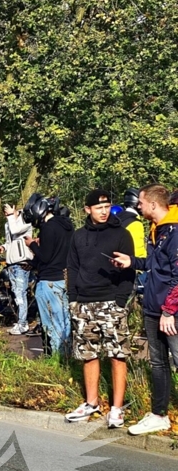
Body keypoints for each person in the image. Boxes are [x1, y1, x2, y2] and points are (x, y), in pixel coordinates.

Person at [64, 189, 135, 428]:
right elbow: (72, 268)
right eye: (98, 207)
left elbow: (129, 270)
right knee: (88, 354)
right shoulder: (78, 236)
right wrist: (73, 299)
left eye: (107, 206)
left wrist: (121, 301)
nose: (104, 211)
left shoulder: (122, 234)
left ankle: (117, 408)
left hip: (111, 302)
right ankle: (91, 402)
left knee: (117, 354)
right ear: (88, 210)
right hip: (83, 303)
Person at [112, 184, 178, 435]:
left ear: (153, 204)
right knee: (158, 363)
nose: (137, 206)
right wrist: (133, 262)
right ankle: (159, 414)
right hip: (154, 308)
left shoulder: (174, 231)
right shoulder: (156, 230)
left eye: (140, 202)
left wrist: (169, 310)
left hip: (170, 312)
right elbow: (154, 265)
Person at [24, 194, 74, 356]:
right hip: (64, 278)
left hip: (49, 281)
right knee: (65, 321)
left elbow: (45, 257)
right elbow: (57, 253)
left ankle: (56, 358)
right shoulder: (67, 226)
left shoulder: (47, 228)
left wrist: (32, 244)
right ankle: (67, 355)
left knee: (51, 324)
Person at [0, 201, 34, 335]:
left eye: (8, 210)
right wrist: (3, 247)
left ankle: (23, 323)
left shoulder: (25, 222)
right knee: (16, 294)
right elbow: (10, 241)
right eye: (4, 212)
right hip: (11, 263)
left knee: (20, 294)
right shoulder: (9, 223)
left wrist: (11, 215)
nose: (6, 214)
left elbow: (15, 230)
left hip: (22, 263)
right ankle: (20, 321)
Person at [118, 187, 147, 259]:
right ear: (137, 204)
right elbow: (138, 251)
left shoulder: (119, 217)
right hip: (131, 264)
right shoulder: (135, 223)